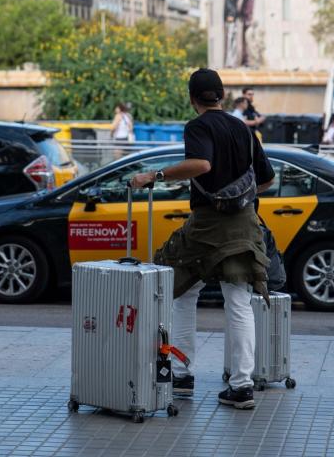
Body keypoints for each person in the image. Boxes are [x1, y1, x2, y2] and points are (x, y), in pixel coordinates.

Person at [130, 68, 275, 410]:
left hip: (206, 227)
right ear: (222, 95)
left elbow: (201, 164)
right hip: (244, 226)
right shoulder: (242, 127)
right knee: (238, 303)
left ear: (192, 98)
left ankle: (181, 373)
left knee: (180, 290)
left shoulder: (198, 126)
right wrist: (239, 195)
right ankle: (241, 387)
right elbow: (266, 180)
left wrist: (155, 175)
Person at [238, 0, 256, 67]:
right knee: (244, 42)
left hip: (248, 22)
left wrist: (241, 13)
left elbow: (247, 10)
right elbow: (242, 10)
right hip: (245, 22)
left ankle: (248, 61)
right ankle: (245, 61)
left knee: (248, 42)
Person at [224, 0, 241, 67]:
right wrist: (228, 19)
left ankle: (233, 63)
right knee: (229, 44)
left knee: (234, 44)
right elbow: (227, 12)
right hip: (229, 24)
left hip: (234, 23)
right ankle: (229, 63)